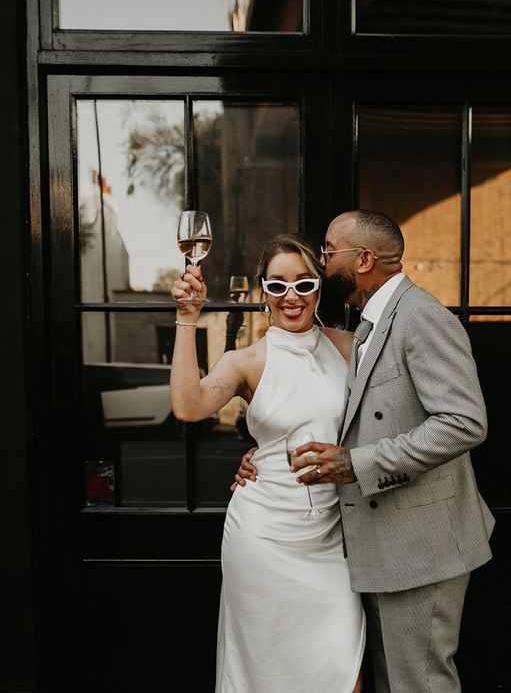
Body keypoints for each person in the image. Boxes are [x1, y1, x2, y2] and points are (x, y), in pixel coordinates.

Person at [235, 210, 494, 692]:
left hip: (423, 549)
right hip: (379, 549)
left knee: (421, 684)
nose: (323, 260)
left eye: (330, 252)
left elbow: (464, 422)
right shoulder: (369, 325)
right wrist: (263, 455)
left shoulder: (420, 317)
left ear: (364, 259)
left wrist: (357, 463)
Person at [170, 234, 365, 693]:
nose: (291, 297)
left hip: (332, 539)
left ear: (320, 287)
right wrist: (186, 321)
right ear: (263, 293)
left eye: (303, 283)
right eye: (277, 286)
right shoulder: (247, 361)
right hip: (263, 537)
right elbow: (188, 406)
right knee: (264, 673)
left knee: (342, 671)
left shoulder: (352, 348)